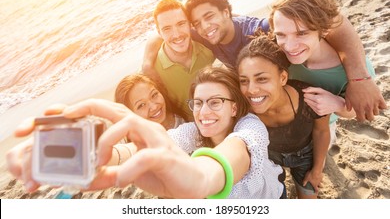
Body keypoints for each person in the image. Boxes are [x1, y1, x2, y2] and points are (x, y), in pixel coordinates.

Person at [7, 67, 285, 199]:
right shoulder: (190, 132)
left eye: (215, 102)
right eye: (198, 103)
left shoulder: (250, 128)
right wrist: (101, 154)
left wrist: (200, 178)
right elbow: (145, 148)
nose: (204, 111)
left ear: (234, 107)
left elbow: (227, 158)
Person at [143, 0, 386, 122]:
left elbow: (335, 21)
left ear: (227, 13)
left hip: (310, 103)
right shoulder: (205, 32)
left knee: (321, 135)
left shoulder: (260, 30)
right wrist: (147, 65)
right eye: (197, 22)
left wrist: (359, 77)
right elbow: (163, 34)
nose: (205, 27)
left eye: (209, 17)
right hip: (280, 97)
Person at [268, 0, 379, 144]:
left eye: (301, 33)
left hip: (323, 128)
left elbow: (354, 110)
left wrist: (337, 104)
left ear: (324, 29)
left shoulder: (353, 70)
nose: (290, 46)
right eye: (281, 35)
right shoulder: (280, 54)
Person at [237, 36, 331, 199]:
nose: (251, 90)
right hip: (269, 158)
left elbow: (322, 132)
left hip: (305, 156)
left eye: (262, 79)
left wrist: (316, 171)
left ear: (282, 78)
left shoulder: (311, 99)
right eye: (244, 81)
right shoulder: (244, 110)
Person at [145, 0, 215, 121]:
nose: (177, 35)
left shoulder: (208, 49)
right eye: (167, 29)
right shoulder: (151, 72)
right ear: (159, 32)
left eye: (181, 24)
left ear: (190, 24)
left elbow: (228, 25)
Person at [115, 73, 184, 130]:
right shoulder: (142, 144)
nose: (154, 107)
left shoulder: (185, 113)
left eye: (154, 95)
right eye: (141, 105)